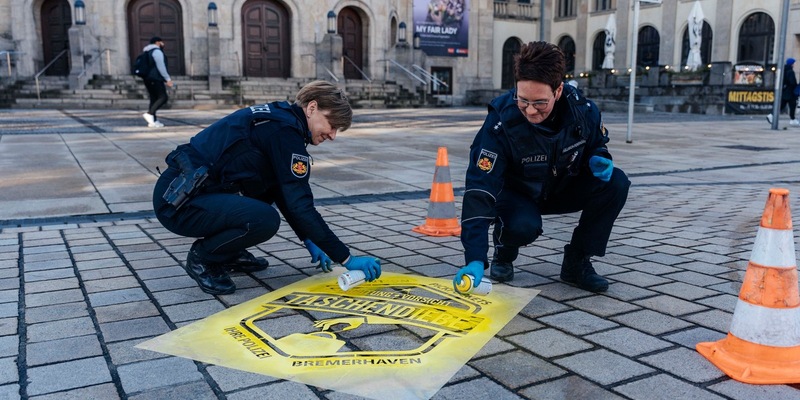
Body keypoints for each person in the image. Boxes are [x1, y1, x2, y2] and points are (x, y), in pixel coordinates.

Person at [152, 80, 382, 295]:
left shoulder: (280, 120)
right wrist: (347, 259)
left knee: (261, 198)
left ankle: (228, 252)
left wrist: (309, 238)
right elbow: (299, 203)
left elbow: (281, 189)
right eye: (332, 125)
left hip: (190, 193)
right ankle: (204, 258)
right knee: (264, 218)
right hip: (179, 203)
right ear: (312, 108)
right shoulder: (284, 132)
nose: (332, 135)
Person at [453, 41, 630, 293]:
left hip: (560, 188)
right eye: (522, 100)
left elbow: (596, 143)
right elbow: (480, 189)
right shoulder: (500, 122)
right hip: (518, 194)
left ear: (558, 91)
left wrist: (599, 156)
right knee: (522, 226)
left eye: (540, 103)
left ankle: (577, 261)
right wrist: (474, 258)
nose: (530, 111)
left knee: (616, 183)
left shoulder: (583, 111)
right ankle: (504, 250)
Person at [141, 36, 173, 128]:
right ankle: (149, 114)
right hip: (155, 78)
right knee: (163, 97)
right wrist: (167, 79)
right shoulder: (157, 51)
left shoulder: (147, 51)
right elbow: (161, 66)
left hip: (148, 78)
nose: (163, 44)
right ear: (158, 42)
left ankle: (153, 121)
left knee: (154, 98)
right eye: (162, 42)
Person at [767, 58, 799, 126]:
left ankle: (772, 115)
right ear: (792, 64)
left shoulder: (784, 70)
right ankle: (792, 119)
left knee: (783, 105)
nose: (795, 64)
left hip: (785, 91)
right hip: (790, 92)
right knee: (791, 105)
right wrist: (796, 87)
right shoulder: (790, 71)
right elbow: (792, 82)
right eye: (794, 63)